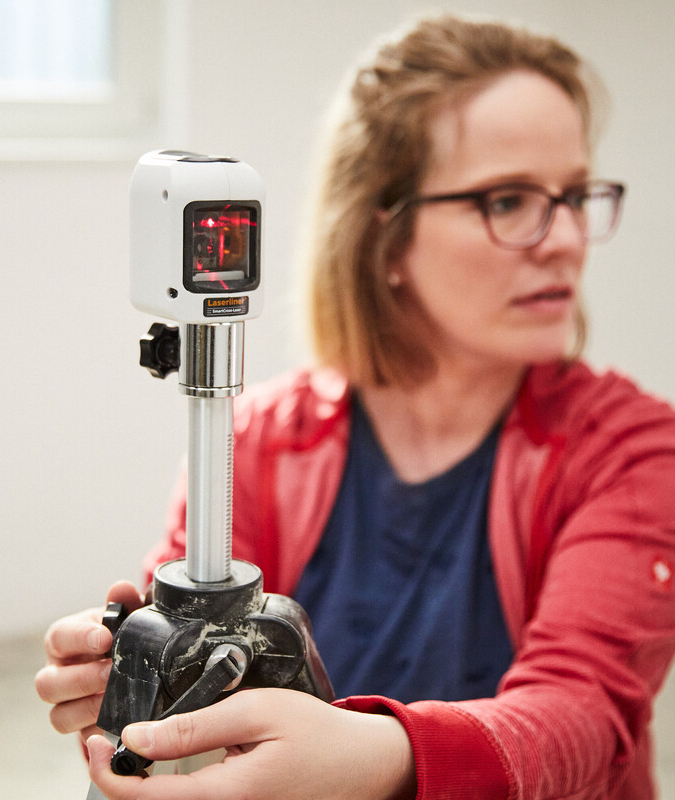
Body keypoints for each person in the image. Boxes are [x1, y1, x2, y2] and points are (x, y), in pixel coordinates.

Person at [35, 14, 675, 799]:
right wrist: (127, 683)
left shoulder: (631, 449)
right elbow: (181, 734)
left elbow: (586, 717)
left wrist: (386, 758)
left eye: (575, 195)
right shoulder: (261, 441)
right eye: (509, 200)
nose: (567, 237)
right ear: (386, 234)